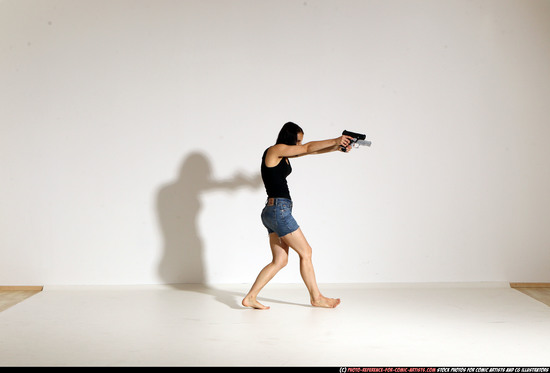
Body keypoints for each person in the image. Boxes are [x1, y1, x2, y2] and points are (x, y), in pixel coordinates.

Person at [242, 122, 353, 309]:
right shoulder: (275, 150)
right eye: (298, 141)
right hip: (279, 210)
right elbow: (308, 148)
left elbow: (310, 151)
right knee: (306, 252)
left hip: (273, 211)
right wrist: (335, 139)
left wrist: (336, 147)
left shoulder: (283, 155)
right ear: (289, 138)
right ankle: (316, 298)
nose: (300, 144)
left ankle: (250, 297)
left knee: (280, 261)